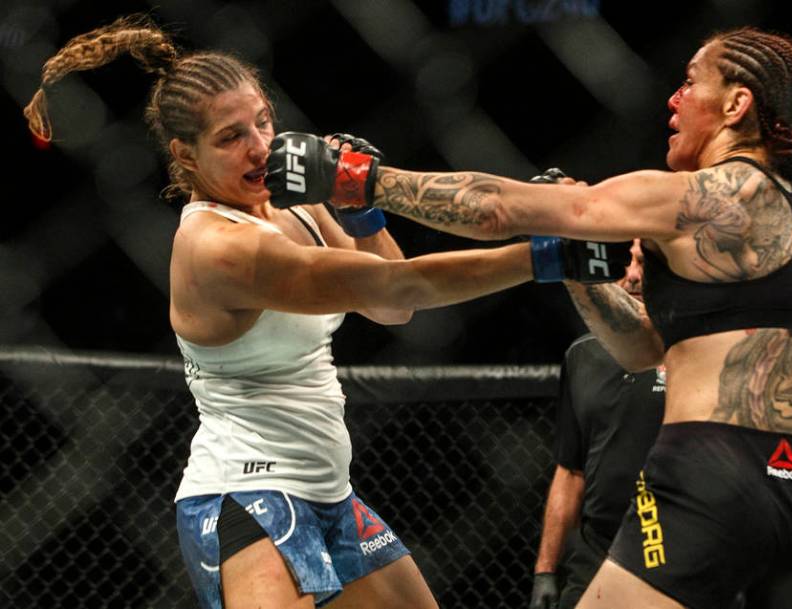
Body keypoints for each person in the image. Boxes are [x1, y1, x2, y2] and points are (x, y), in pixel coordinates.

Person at [22, 15, 629, 609]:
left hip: (328, 492)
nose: (260, 147)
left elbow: (390, 310)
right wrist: (544, 255)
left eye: (263, 123)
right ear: (185, 155)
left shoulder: (296, 210)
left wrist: (358, 209)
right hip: (246, 495)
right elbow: (403, 285)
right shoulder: (218, 248)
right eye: (231, 138)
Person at [273, 27, 792, 609]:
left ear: (735, 104)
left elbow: (499, 210)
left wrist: (359, 179)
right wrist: (579, 271)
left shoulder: (706, 195)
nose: (673, 97)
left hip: (711, 466)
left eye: (691, 82)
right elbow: (643, 350)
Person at [530, 239, 666, 609]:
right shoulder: (583, 355)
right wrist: (545, 570)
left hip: (677, 540)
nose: (633, 277)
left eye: (645, 265)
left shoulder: (694, 350)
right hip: (598, 550)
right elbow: (570, 471)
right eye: (624, 264)